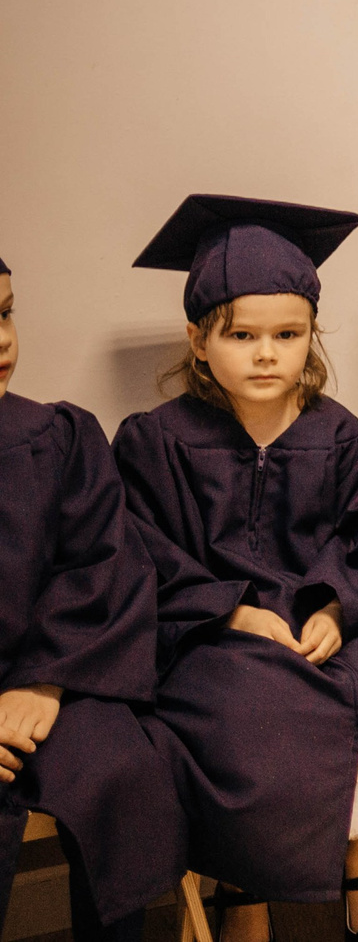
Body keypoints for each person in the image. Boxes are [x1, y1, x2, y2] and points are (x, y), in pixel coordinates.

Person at [116, 197, 358, 942]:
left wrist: (337, 608)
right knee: (243, 719)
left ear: (311, 334)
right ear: (197, 339)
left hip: (329, 622)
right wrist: (234, 611)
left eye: (287, 334)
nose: (266, 353)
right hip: (210, 629)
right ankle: (242, 891)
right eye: (242, 334)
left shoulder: (343, 436)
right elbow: (143, 550)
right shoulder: (155, 441)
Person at [0, 255, 189, 942]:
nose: (0, 338)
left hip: (59, 672)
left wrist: (45, 680)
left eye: (4, 311)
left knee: (118, 769)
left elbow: (102, 563)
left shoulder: (54, 437)